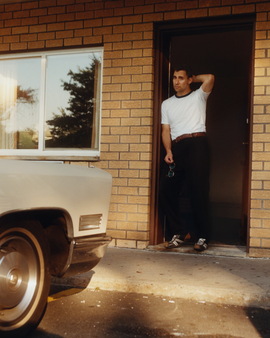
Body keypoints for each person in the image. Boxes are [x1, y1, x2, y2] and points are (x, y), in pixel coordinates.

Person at [159, 64, 215, 251]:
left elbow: (210, 78)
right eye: (175, 78)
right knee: (166, 189)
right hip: (177, 147)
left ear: (189, 79)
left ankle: (203, 236)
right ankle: (180, 231)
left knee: (198, 192)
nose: (176, 81)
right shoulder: (167, 104)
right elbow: (165, 130)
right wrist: (168, 151)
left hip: (197, 144)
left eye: (181, 78)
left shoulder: (199, 95)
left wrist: (192, 76)